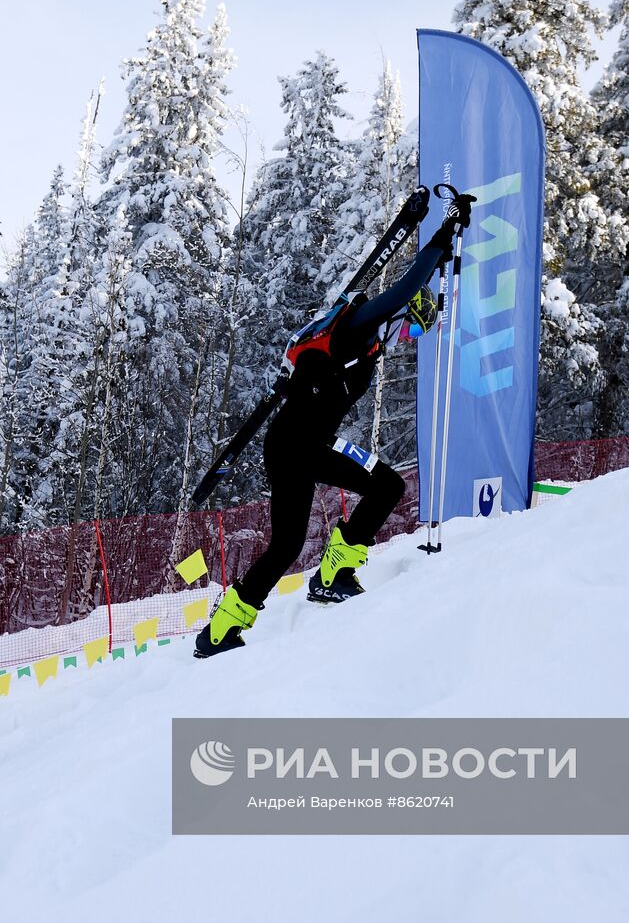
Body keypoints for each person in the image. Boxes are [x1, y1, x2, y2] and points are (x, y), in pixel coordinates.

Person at [195, 190, 473, 658]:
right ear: (402, 315)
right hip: (296, 443)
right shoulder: (356, 328)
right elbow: (404, 288)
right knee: (383, 489)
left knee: (291, 542)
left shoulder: (367, 349)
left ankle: (220, 631)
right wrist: (443, 237)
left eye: (415, 334)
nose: (406, 336)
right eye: (410, 327)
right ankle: (334, 575)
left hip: (299, 445)